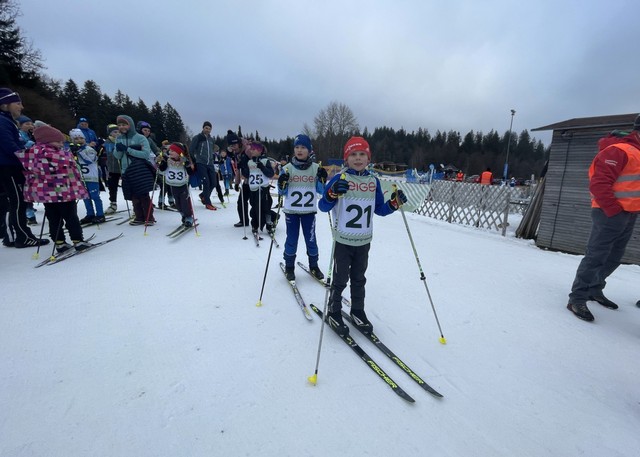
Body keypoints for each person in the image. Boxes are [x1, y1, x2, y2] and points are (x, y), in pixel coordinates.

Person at [318, 136, 406, 336]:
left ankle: (357, 310)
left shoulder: (373, 181)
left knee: (359, 278)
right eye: (353, 154)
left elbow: (379, 209)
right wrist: (331, 193)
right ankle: (334, 310)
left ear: (368, 159)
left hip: (364, 241)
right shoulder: (339, 179)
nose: (358, 158)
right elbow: (323, 206)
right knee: (340, 279)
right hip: (343, 240)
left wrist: (393, 204)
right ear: (346, 159)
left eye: (362, 154)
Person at [566, 118, 640, 321]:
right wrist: (614, 211)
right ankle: (577, 298)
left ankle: (594, 289)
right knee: (596, 256)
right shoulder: (618, 150)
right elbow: (599, 183)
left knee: (614, 257)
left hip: (629, 214)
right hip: (610, 213)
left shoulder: (637, 153)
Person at [15, 124, 91, 252]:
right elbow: (68, 161)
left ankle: (60, 242)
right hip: (63, 191)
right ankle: (78, 240)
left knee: (53, 218)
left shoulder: (33, 153)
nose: (61, 144)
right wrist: (69, 154)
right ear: (46, 141)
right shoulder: (51, 153)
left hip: (47, 194)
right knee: (71, 216)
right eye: (58, 141)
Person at [0, 88, 49, 248]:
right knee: (17, 202)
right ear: (5, 105)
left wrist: (30, 149)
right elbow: (10, 147)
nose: (21, 107)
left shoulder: (7, 121)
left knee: (13, 202)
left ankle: (12, 236)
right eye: (17, 103)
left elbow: (17, 143)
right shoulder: (2, 121)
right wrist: (30, 159)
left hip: (10, 166)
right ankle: (22, 236)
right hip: (8, 168)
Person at [277, 134, 327, 280]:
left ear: (309, 150)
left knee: (311, 240)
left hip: (309, 212)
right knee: (292, 239)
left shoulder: (316, 168)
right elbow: (281, 192)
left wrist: (322, 179)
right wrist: (282, 183)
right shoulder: (287, 169)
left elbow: (321, 191)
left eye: (303, 147)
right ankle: (289, 267)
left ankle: (314, 266)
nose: (299, 150)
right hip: (291, 212)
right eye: (297, 147)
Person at [113, 114, 156, 226]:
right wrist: (118, 149)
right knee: (133, 196)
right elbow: (117, 156)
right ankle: (139, 217)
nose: (122, 127)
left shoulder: (140, 138)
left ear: (130, 125)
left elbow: (145, 154)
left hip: (139, 170)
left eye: (124, 124)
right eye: (120, 125)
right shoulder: (119, 138)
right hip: (126, 171)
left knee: (143, 195)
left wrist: (128, 149)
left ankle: (149, 217)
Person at [69, 128, 105, 224]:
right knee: (85, 197)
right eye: (76, 139)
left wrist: (80, 152)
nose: (79, 140)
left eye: (81, 138)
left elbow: (90, 160)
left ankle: (100, 215)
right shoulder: (72, 151)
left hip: (92, 177)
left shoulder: (89, 149)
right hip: (81, 178)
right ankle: (90, 214)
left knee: (95, 196)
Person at [157, 142, 197, 227]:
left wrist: (187, 164)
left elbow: (191, 172)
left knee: (184, 202)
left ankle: (189, 217)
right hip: (173, 185)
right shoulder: (167, 160)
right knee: (178, 204)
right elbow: (162, 169)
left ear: (179, 153)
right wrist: (161, 162)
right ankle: (183, 215)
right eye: (170, 150)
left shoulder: (183, 161)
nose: (170, 152)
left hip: (183, 185)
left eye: (173, 151)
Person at [240, 140, 274, 235]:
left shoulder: (265, 160)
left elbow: (270, 174)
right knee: (254, 207)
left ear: (259, 150)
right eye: (251, 149)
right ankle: (254, 225)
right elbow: (246, 174)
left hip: (263, 188)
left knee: (266, 207)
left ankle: (269, 225)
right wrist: (242, 166)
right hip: (253, 189)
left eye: (253, 149)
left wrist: (262, 167)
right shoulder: (250, 162)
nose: (251, 151)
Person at [190, 121, 220, 210]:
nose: (208, 130)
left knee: (214, 183)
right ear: (203, 128)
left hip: (210, 163)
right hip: (201, 163)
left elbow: (211, 151)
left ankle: (203, 195)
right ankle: (208, 203)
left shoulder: (211, 139)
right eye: (206, 128)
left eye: (210, 128)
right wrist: (194, 161)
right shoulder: (198, 137)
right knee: (206, 182)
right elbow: (191, 150)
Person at [17, 115, 37, 225]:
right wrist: (28, 145)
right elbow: (19, 147)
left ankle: (30, 209)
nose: (30, 126)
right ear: (20, 125)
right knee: (24, 189)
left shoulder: (30, 134)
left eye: (30, 123)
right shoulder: (18, 134)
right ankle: (29, 214)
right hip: (22, 164)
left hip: (30, 164)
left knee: (29, 188)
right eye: (27, 124)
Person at [229, 130, 250, 227]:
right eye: (231, 146)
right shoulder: (236, 153)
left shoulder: (248, 149)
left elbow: (258, 160)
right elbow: (238, 169)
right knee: (241, 201)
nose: (233, 148)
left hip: (255, 181)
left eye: (234, 145)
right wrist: (237, 183)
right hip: (246, 181)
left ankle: (269, 218)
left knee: (256, 203)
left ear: (239, 143)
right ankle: (244, 220)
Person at [101, 124, 121, 214]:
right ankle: (113, 204)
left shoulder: (122, 140)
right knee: (112, 187)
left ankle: (135, 205)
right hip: (112, 168)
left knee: (128, 186)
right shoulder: (108, 142)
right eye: (115, 132)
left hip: (122, 167)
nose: (117, 134)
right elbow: (110, 153)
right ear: (110, 133)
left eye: (118, 132)